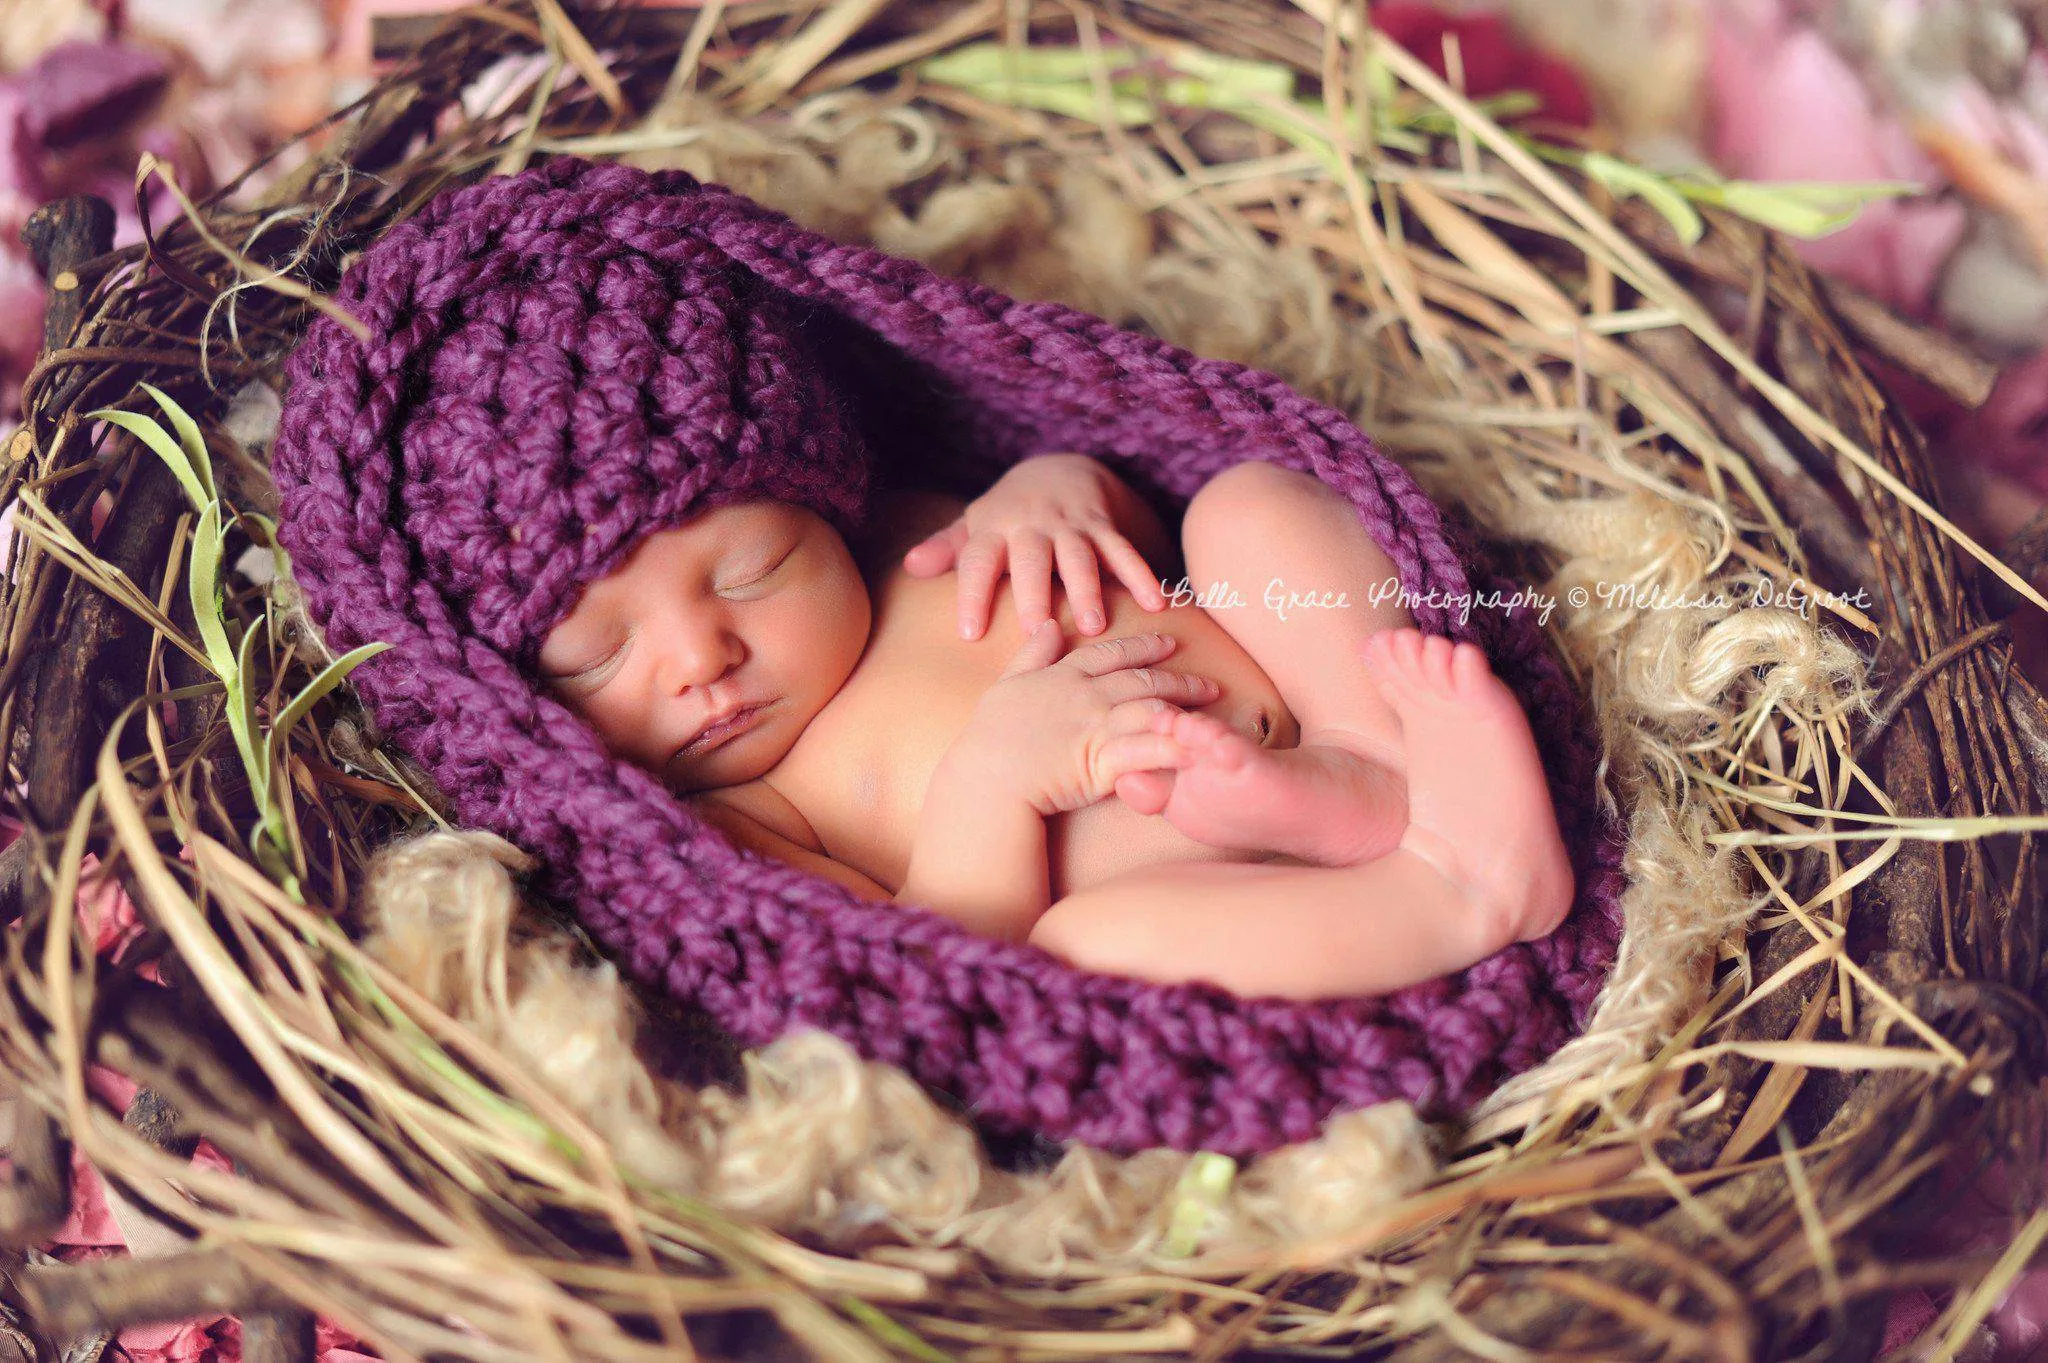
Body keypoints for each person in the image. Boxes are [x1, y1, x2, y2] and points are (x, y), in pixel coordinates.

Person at [535, 450, 1575, 1003]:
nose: (696, 658)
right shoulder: (743, 818)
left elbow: (1137, 543)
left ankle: (1366, 753)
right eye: (599, 657)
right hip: (1207, 889)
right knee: (1087, 945)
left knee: (1244, 506)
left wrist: (1054, 491)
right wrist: (994, 776)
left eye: (751, 569)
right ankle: (1453, 886)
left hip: (1292, 692)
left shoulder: (906, 533)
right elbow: (935, 969)